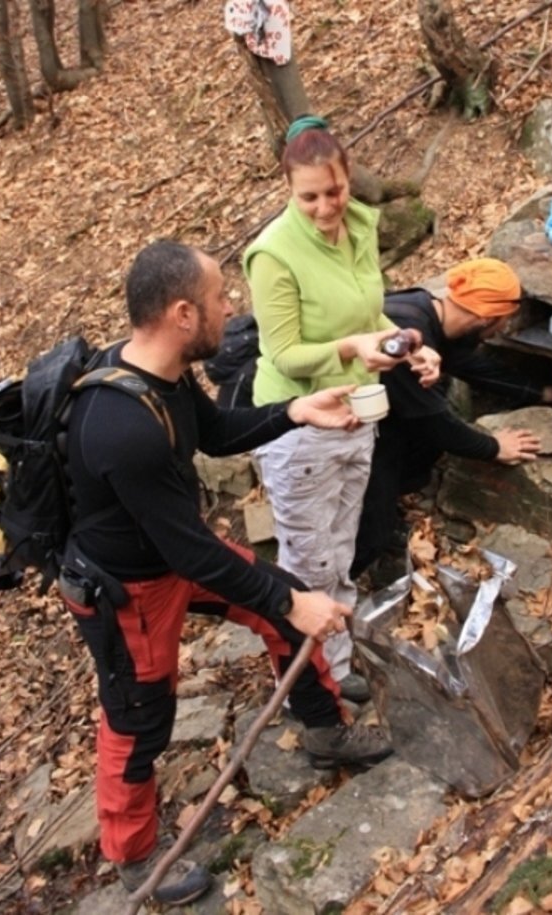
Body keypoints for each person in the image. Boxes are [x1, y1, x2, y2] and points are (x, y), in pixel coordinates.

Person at [60, 240, 393, 908]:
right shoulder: (122, 427)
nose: (231, 305)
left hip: (175, 551)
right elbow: (191, 554)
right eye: (219, 296)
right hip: (129, 588)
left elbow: (213, 432)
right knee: (139, 717)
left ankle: (325, 731)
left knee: (284, 605)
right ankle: (134, 858)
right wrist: (292, 601)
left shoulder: (165, 373)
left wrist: (295, 411)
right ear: (183, 314)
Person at [242, 115, 440, 702]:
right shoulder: (273, 254)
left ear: (349, 179)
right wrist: (353, 349)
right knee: (308, 564)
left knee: (340, 552)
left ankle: (338, 662)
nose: (325, 207)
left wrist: (408, 346)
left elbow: (365, 312)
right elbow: (286, 352)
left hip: (356, 415)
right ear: (288, 189)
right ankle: (309, 687)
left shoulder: (358, 226)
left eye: (334, 191)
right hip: (299, 424)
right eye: (309, 197)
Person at [352, 258, 549, 581]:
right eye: (504, 321)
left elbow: (471, 366)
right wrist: (494, 447)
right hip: (341, 425)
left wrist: (538, 392)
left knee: (413, 451)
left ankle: (386, 505)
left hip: (380, 414)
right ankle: (328, 591)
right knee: (373, 532)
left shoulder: (428, 309)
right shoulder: (406, 335)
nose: (503, 330)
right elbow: (435, 424)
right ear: (487, 318)